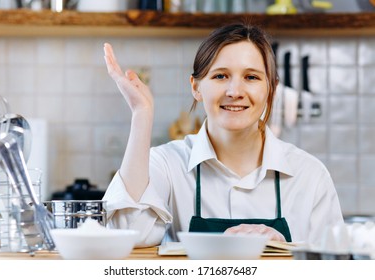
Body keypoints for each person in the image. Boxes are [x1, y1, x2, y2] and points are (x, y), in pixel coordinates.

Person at [102, 23, 344, 248]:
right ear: (196, 87)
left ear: (270, 88)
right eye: (220, 76)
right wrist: (141, 115)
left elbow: (337, 268)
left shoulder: (310, 175)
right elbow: (127, 236)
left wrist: (284, 250)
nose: (235, 91)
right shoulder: (165, 164)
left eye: (251, 77)